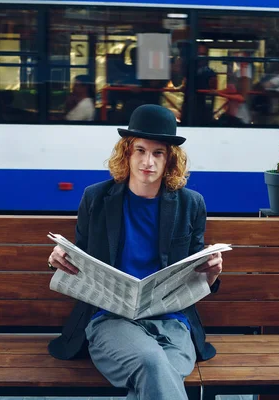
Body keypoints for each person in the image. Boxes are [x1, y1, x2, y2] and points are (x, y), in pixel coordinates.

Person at [47, 104, 223, 400]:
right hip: (110, 319)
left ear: (170, 160)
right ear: (127, 153)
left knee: (154, 372)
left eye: (158, 153)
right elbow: (80, 259)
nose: (148, 162)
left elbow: (197, 273)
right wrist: (59, 261)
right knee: (154, 363)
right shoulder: (97, 198)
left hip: (172, 321)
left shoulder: (190, 204)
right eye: (140, 150)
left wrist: (213, 274)